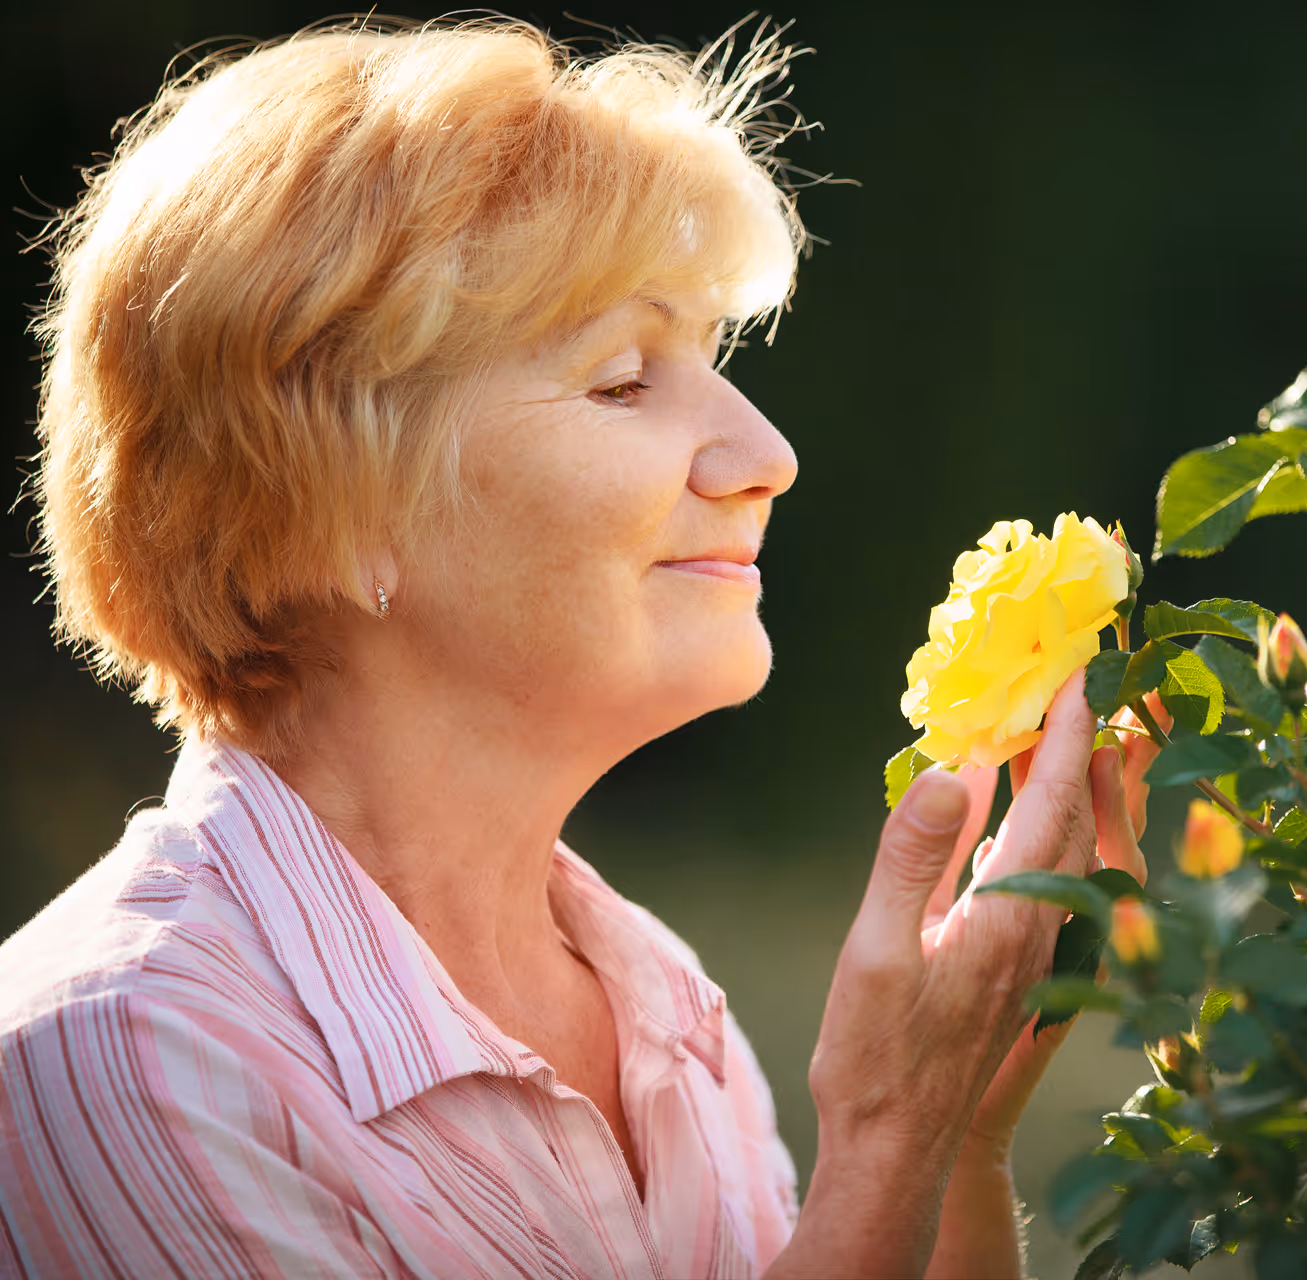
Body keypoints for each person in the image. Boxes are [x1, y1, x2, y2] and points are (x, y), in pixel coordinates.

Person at [0, 18, 1164, 1278]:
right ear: (323, 512)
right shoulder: (128, 1057)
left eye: (712, 360)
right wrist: (884, 1136)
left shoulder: (658, 1002)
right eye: (623, 380)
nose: (765, 456)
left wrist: (958, 1130)